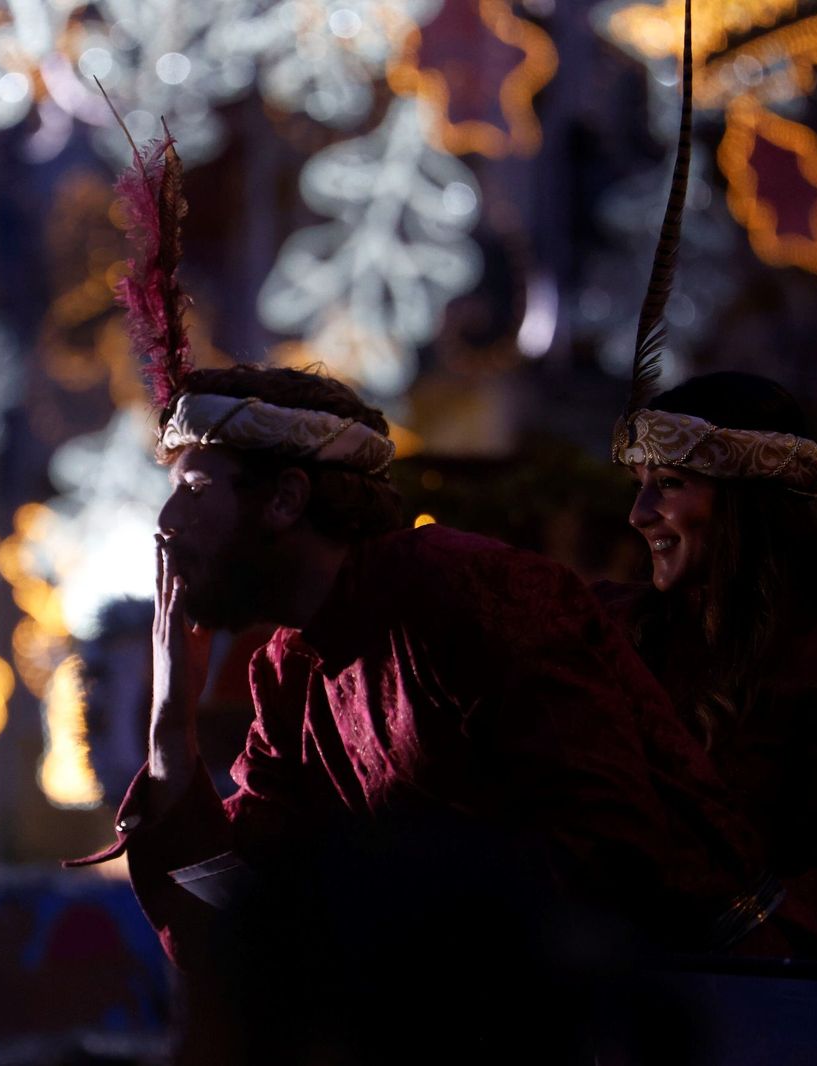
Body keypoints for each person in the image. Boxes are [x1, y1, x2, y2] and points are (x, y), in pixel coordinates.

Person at [69, 364, 768, 1062]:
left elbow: (610, 859)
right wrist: (170, 727)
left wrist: (379, 922)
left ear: (285, 499)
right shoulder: (289, 671)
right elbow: (236, 925)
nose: (166, 525)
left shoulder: (471, 593)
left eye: (193, 488)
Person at [600, 370, 817, 960]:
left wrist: (714, 937)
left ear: (746, 503)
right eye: (638, 483)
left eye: (669, 483)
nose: (639, 513)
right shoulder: (610, 633)